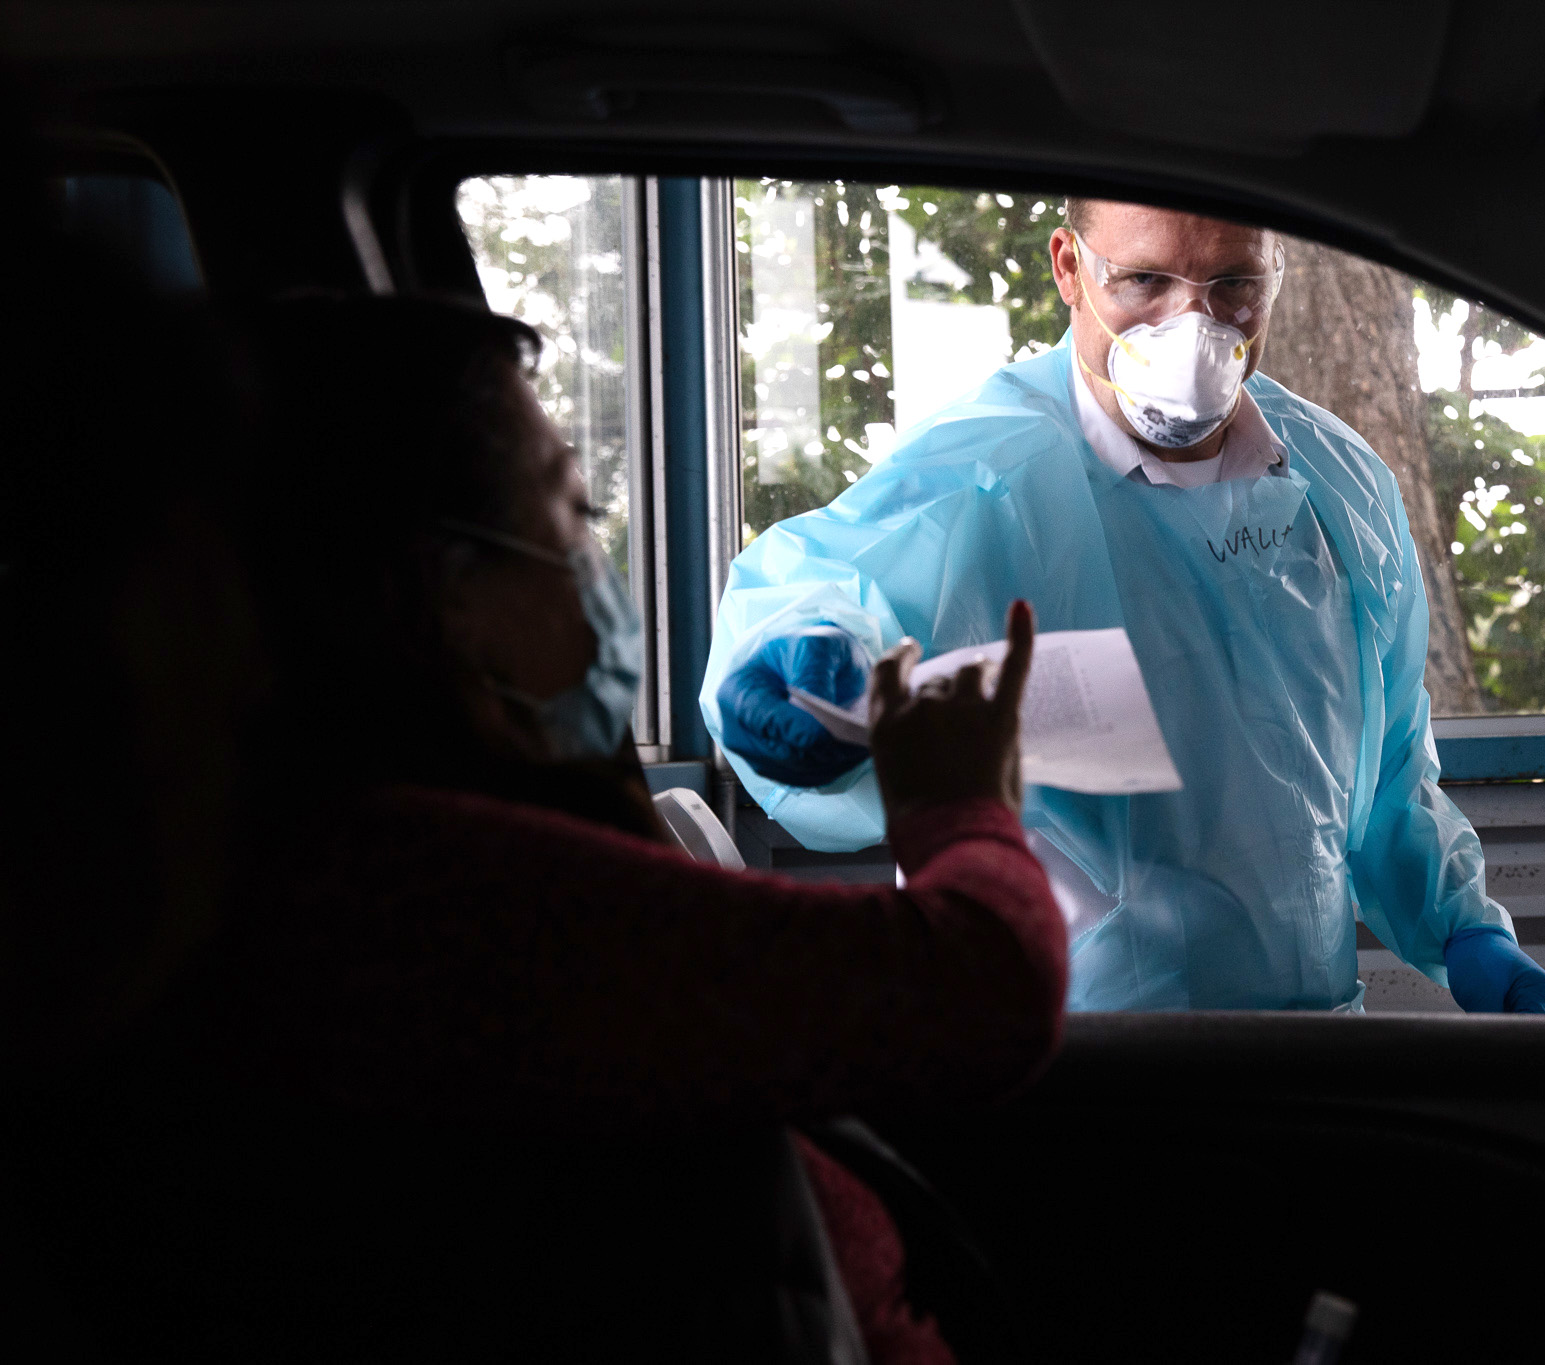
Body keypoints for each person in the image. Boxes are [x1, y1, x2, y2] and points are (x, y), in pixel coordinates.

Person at [19, 295, 1064, 1365]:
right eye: (572, 516)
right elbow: (980, 988)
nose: (596, 569)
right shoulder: (413, 900)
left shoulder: (467, 842)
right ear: (451, 593)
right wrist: (956, 803)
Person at [707, 199, 1545, 1015]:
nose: (1192, 330)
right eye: (1144, 281)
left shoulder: (1341, 489)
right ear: (1069, 268)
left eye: (1234, 285)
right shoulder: (987, 476)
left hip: (1305, 1046)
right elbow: (821, 584)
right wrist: (801, 654)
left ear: (1275, 273)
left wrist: (1464, 929)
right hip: (1062, 1063)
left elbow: (1387, 773)